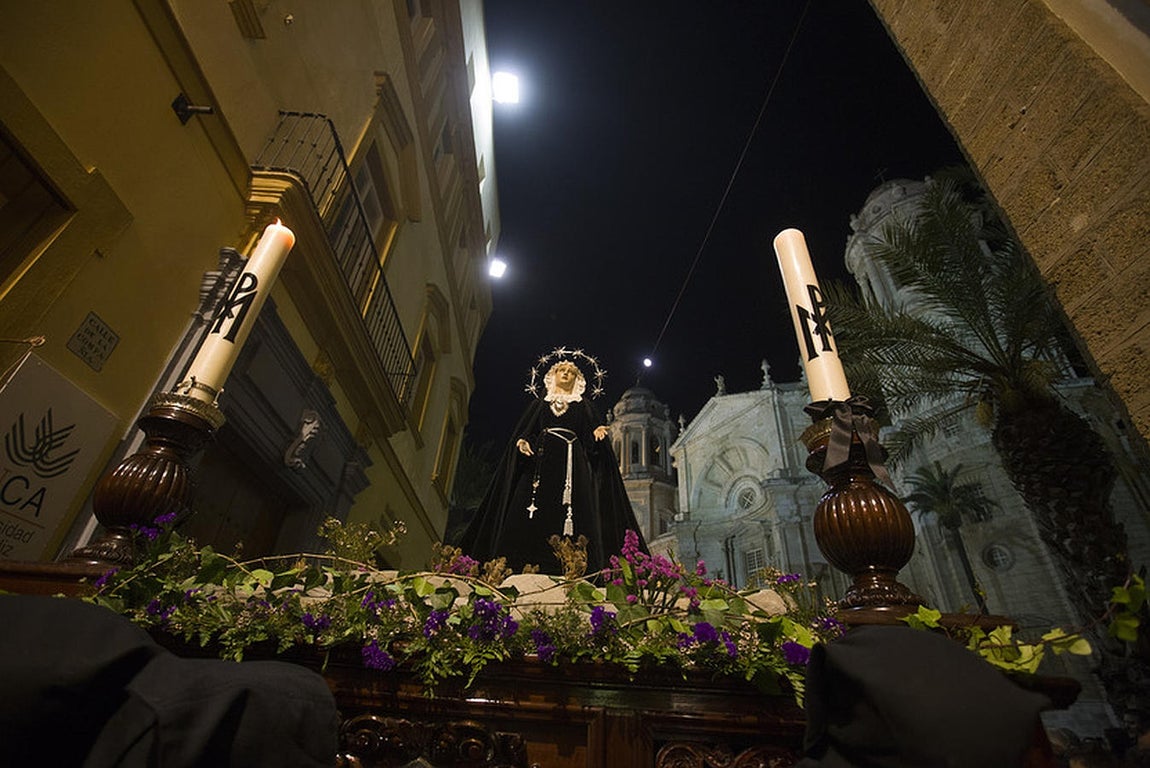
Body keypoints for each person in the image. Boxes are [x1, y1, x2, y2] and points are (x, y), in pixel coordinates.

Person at [457, 351, 644, 575]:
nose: (566, 374)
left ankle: (573, 566)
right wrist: (523, 442)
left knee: (573, 513)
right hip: (539, 465)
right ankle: (517, 563)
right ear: (551, 376)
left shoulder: (583, 406)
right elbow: (527, 432)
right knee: (528, 510)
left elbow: (589, 437)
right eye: (561, 371)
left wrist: (597, 430)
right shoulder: (539, 405)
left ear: (578, 380)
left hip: (571, 467)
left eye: (571, 373)